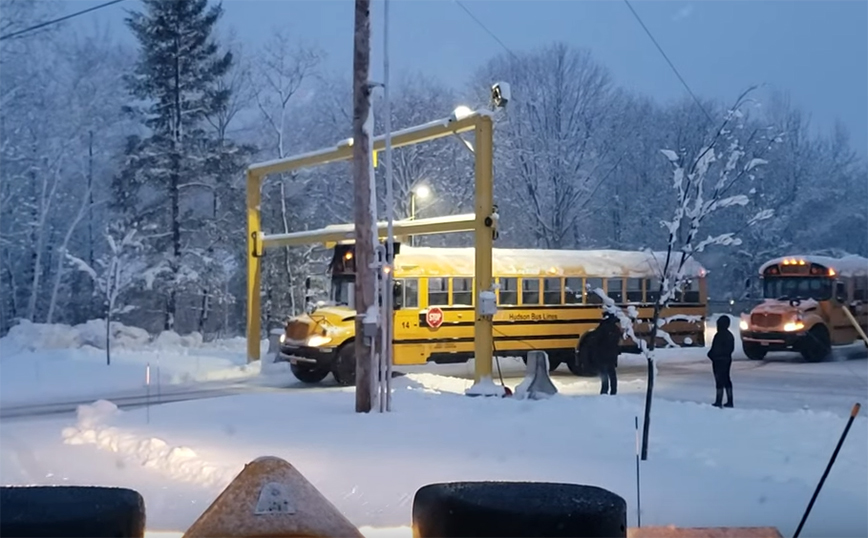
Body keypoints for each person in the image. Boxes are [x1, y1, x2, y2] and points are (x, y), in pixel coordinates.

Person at [707, 315, 735, 407]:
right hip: (727, 360)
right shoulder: (730, 335)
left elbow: (715, 349)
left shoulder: (719, 335)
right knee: (726, 379)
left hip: (719, 361)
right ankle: (729, 400)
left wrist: (711, 355)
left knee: (719, 380)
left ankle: (719, 400)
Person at [593, 313, 622, 395]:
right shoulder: (615, 329)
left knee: (604, 374)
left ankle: (604, 391)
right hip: (612, 355)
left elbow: (595, 341)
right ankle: (613, 391)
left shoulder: (601, 328)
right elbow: (618, 342)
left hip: (602, 354)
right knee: (612, 373)